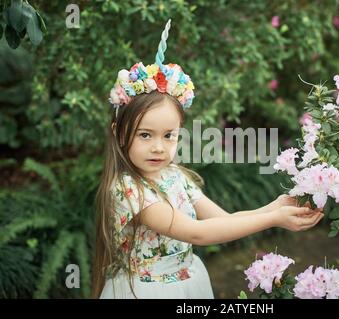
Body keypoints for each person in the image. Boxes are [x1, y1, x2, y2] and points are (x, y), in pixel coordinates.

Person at [92, 19, 324, 299]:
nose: (158, 147)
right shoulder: (130, 190)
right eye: (145, 135)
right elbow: (197, 233)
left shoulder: (176, 176)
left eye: (169, 135)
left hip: (189, 281)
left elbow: (224, 220)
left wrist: (273, 207)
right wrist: (274, 219)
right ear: (119, 134)